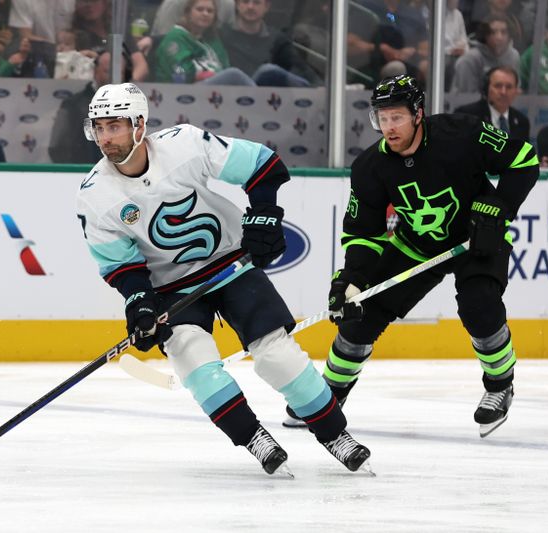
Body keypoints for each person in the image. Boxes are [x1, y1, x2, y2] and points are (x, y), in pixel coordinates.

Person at [74, 82, 373, 475]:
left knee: (275, 354)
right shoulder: (96, 194)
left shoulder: (184, 145)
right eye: (99, 127)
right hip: (171, 287)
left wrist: (265, 214)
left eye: (114, 126)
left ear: (140, 124)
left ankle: (334, 433)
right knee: (195, 361)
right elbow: (120, 265)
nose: (105, 138)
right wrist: (140, 302)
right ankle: (254, 437)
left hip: (230, 265)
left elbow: (263, 165)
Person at [283, 75, 539, 439]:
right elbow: (363, 232)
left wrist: (498, 207)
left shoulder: (461, 132)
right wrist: (351, 279)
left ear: (418, 114)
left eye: (396, 118)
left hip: (476, 238)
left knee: (479, 305)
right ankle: (330, 396)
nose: (389, 127)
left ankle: (499, 385)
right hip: (415, 244)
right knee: (360, 317)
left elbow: (524, 160)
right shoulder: (370, 166)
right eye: (382, 119)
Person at [154, 0, 254, 85]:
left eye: (210, 11)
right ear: (188, 13)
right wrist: (209, 74)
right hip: (186, 92)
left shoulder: (212, 39)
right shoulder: (176, 37)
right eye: (200, 9)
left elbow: (224, 66)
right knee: (234, 74)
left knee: (267, 70)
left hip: (220, 90)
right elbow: (181, 73)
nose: (205, 14)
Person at [218, 0, 315, 87]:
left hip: (267, 100)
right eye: (245, 1)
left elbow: (301, 70)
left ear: (267, 7)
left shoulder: (277, 40)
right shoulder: (221, 35)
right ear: (237, 5)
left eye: (256, 2)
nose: (250, 7)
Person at [48, 48, 109, 163]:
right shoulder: (74, 105)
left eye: (119, 72)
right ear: (96, 71)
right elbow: (57, 147)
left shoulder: (128, 108)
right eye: (107, 71)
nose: (113, 77)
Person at [454, 66, 530, 141]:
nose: (503, 92)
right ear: (486, 89)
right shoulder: (467, 116)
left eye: (509, 87)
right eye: (498, 86)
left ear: (516, 91)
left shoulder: (522, 122)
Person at [452, 14, 520, 93]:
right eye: (493, 32)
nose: (499, 37)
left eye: (503, 32)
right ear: (485, 35)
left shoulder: (514, 56)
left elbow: (515, 90)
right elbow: (467, 97)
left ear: (509, 36)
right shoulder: (469, 60)